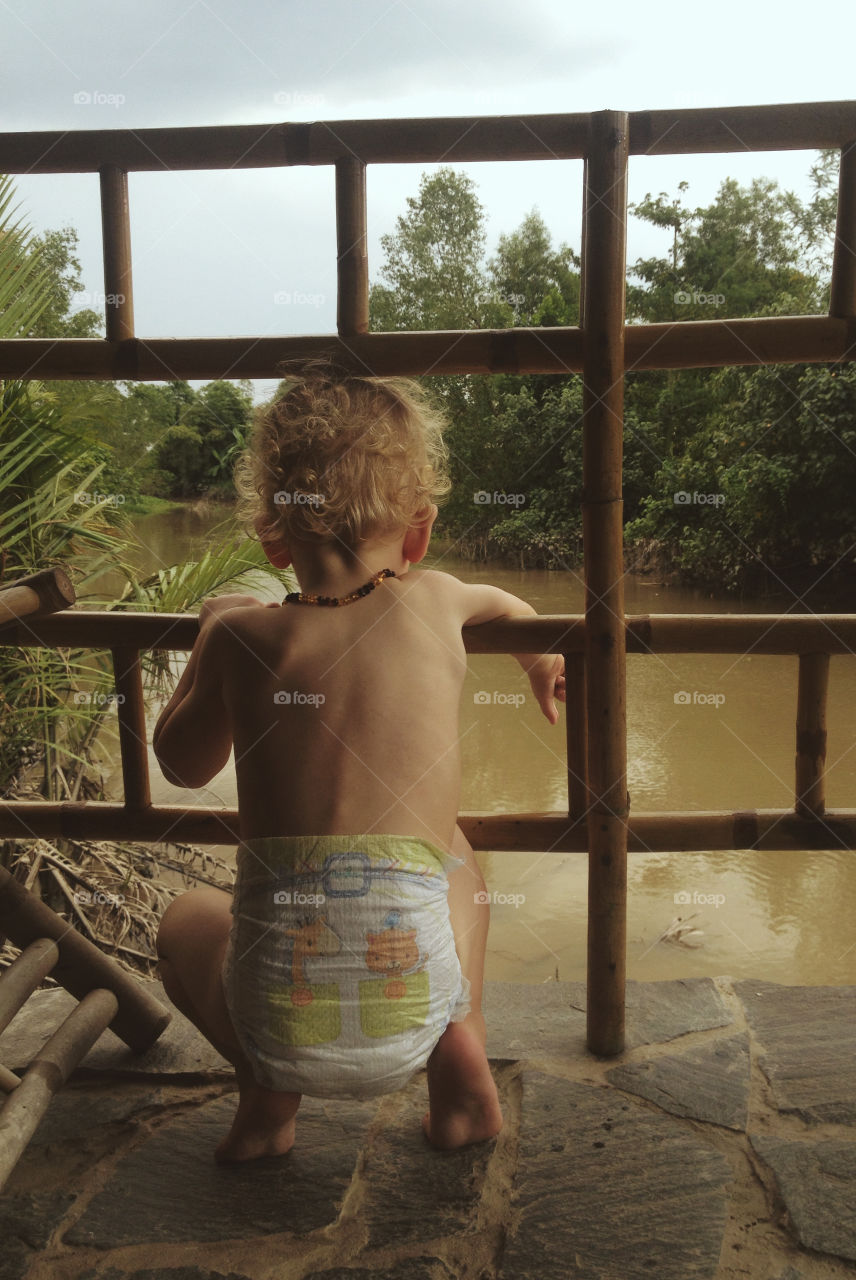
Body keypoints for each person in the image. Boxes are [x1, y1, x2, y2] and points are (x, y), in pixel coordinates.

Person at [153, 363, 565, 1163]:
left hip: (276, 1017)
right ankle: (462, 1053)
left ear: (272, 535)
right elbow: (511, 608)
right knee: (453, 850)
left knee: (182, 924)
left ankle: (267, 1102)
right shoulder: (440, 600)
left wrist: (209, 637)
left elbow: (181, 764)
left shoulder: (242, 637)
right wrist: (540, 660)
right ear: (419, 533)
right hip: (408, 1004)